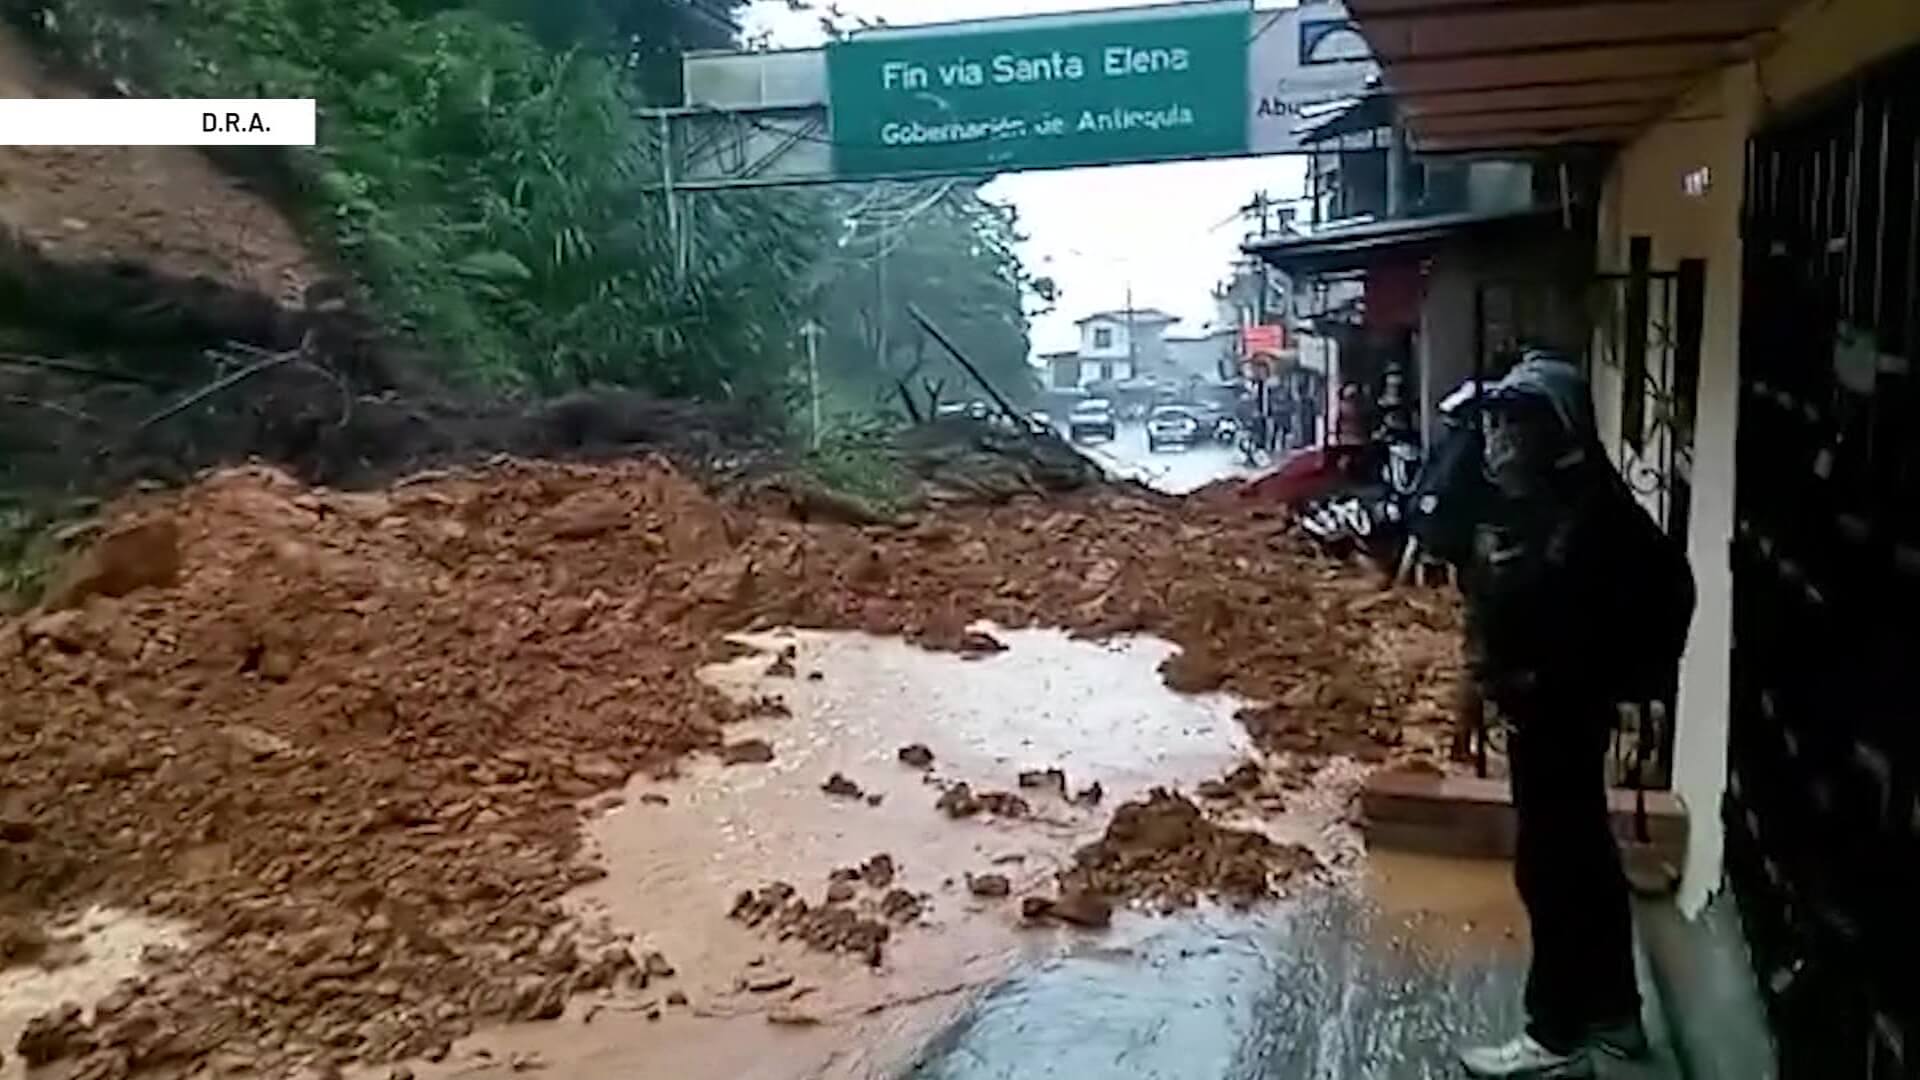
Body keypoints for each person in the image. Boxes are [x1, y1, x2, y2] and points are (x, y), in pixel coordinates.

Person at [1450, 353, 1695, 1079]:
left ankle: (1553, 1035)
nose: (1499, 443)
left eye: (1513, 429)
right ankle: (1613, 1016)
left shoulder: (1584, 520)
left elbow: (1577, 612)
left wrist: (1554, 680)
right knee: (1578, 864)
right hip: (1550, 715)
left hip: (1561, 718)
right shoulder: (1555, 504)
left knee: (1556, 872)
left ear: (1554, 432)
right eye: (1497, 427)